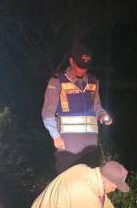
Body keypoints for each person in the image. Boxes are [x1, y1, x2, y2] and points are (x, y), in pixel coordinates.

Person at [42, 44, 112, 174]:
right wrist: (55, 136)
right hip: (68, 142)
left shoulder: (93, 81)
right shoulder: (57, 81)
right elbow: (47, 113)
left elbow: (97, 106)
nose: (82, 70)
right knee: (68, 179)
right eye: (79, 66)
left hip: (90, 142)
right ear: (71, 61)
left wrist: (102, 115)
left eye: (85, 67)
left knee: (89, 179)